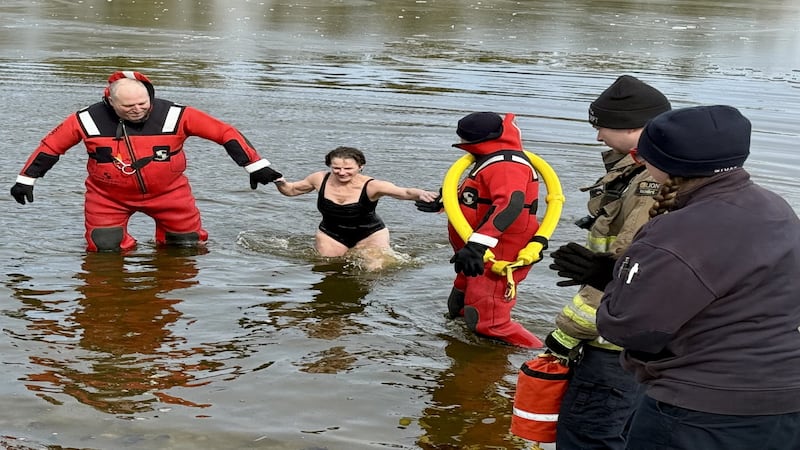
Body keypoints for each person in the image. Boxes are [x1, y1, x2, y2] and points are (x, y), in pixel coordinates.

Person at [554, 105, 800, 449]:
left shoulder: (673, 232)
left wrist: (617, 283)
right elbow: (733, 289)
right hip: (784, 398)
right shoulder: (775, 208)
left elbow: (629, 328)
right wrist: (611, 272)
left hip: (700, 410)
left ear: (661, 163)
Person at [10, 70, 282, 252]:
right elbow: (50, 148)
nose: (138, 110)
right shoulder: (86, 119)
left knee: (186, 247)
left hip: (170, 194)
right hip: (107, 198)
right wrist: (26, 179)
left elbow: (225, 133)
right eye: (129, 107)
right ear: (111, 102)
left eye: (143, 103)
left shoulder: (176, 114)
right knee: (104, 249)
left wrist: (255, 165)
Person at [543, 75, 671, 449]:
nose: (598, 136)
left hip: (615, 343)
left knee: (588, 434)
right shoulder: (636, 169)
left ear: (634, 126)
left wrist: (566, 334)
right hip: (636, 339)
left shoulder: (651, 185)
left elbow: (628, 267)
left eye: (602, 127)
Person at [417, 112, 543, 348]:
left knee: (489, 322)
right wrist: (444, 201)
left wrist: (477, 245)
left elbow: (510, 204)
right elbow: (478, 197)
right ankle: (467, 358)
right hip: (476, 253)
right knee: (459, 306)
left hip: (496, 255)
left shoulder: (506, 165)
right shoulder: (489, 159)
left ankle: (540, 356)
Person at [273, 146, 438, 269]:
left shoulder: (372, 186)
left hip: (370, 234)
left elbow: (404, 192)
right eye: (336, 168)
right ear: (329, 166)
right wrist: (279, 182)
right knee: (327, 268)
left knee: (375, 271)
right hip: (330, 234)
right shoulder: (319, 178)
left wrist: (422, 193)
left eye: (348, 168)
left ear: (361, 166)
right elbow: (291, 190)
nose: (342, 172)